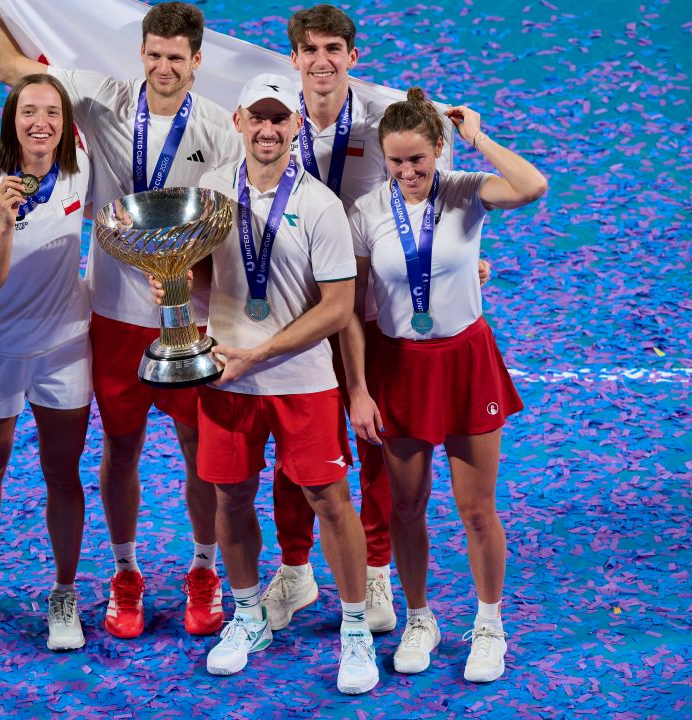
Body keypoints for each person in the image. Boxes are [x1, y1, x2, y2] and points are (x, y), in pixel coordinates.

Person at [0, 0, 240, 639]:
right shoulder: (101, 100)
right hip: (114, 317)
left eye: (176, 57)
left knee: (200, 452)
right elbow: (9, 66)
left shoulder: (223, 130)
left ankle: (204, 570)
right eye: (154, 54)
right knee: (121, 449)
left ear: (197, 62)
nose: (163, 66)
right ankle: (125, 573)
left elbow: (239, 217)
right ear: (140, 54)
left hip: (191, 319)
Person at [264, 3, 491, 637]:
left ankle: (378, 571)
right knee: (298, 441)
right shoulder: (274, 119)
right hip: (293, 301)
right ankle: (296, 567)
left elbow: (435, 161)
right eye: (309, 50)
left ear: (353, 57)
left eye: (334, 48)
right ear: (293, 59)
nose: (322, 60)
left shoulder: (379, 116)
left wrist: (462, 253)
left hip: (368, 307)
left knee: (373, 443)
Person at [181, 74, 379, 694]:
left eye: (279, 119)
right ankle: (246, 614)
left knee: (328, 498)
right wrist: (179, 290)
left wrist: (256, 353)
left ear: (296, 125)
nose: (268, 130)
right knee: (230, 499)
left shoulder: (319, 204)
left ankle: (354, 629)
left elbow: (337, 307)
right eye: (256, 119)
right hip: (227, 379)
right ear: (238, 122)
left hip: (300, 379)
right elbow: (200, 283)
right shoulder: (211, 192)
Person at [343, 88, 546, 683]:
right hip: (399, 366)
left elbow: (532, 187)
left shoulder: (464, 190)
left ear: (440, 151)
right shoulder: (367, 212)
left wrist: (477, 138)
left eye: (418, 160)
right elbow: (353, 307)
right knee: (406, 506)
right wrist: (358, 387)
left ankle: (489, 624)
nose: (407, 173)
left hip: (464, 360)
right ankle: (419, 618)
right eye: (396, 162)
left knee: (475, 507)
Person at [0, 74, 94, 652]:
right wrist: (7, 221)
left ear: (66, 124)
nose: (41, 123)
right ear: (11, 118)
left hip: (66, 347)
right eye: (30, 111)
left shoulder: (80, 170)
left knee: (63, 473)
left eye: (53, 113)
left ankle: (64, 593)